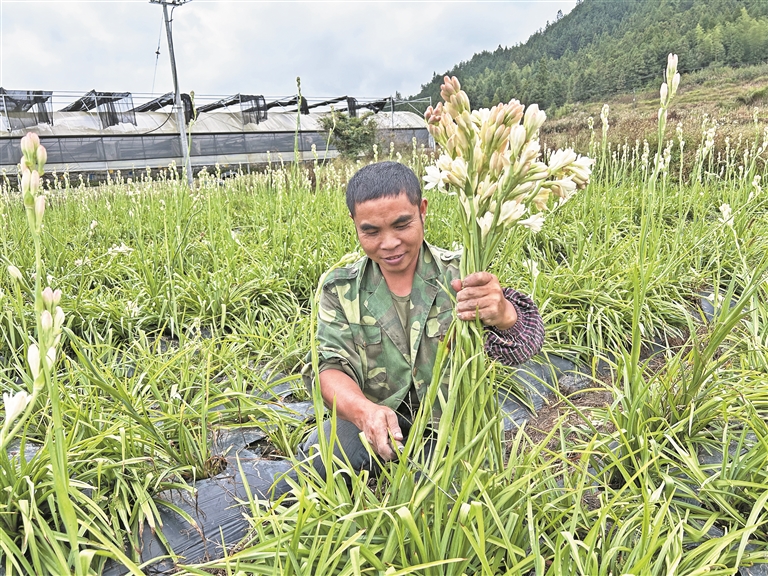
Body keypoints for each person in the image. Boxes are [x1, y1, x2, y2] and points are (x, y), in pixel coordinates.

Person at [292, 161, 544, 486]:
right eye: (371, 231)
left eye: (401, 225)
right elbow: (329, 367)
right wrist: (364, 412)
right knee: (320, 457)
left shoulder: (461, 273)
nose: (389, 243)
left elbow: (524, 345)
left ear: (422, 210)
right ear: (354, 224)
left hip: (452, 426)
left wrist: (504, 314)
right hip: (378, 416)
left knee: (443, 500)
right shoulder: (340, 289)